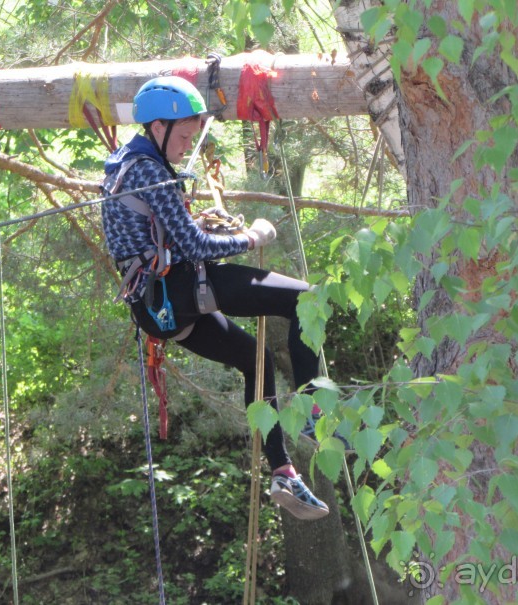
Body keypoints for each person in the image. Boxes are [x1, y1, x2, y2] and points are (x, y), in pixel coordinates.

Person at [101, 76, 328, 521]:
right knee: (306, 299)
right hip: (177, 287)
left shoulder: (123, 165)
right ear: (158, 127)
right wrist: (251, 237)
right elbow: (196, 247)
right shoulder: (148, 172)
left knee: (255, 360)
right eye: (183, 137)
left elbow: (161, 235)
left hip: (155, 308)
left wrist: (200, 226)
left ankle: (283, 472)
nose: (186, 146)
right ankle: (313, 409)